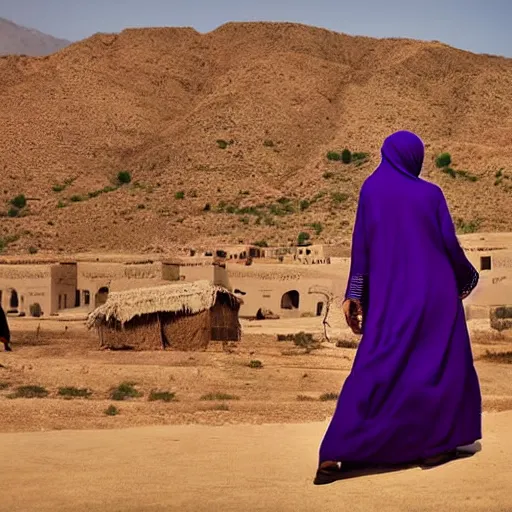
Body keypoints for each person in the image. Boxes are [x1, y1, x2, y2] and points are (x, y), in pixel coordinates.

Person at [314, 130, 481, 485]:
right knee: (436, 369)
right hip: (436, 295)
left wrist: (354, 293)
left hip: (390, 299)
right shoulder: (431, 194)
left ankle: (334, 451)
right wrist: (466, 279)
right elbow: (449, 244)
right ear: (413, 158)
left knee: (374, 366)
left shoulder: (370, 191)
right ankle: (435, 446)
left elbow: (362, 245)